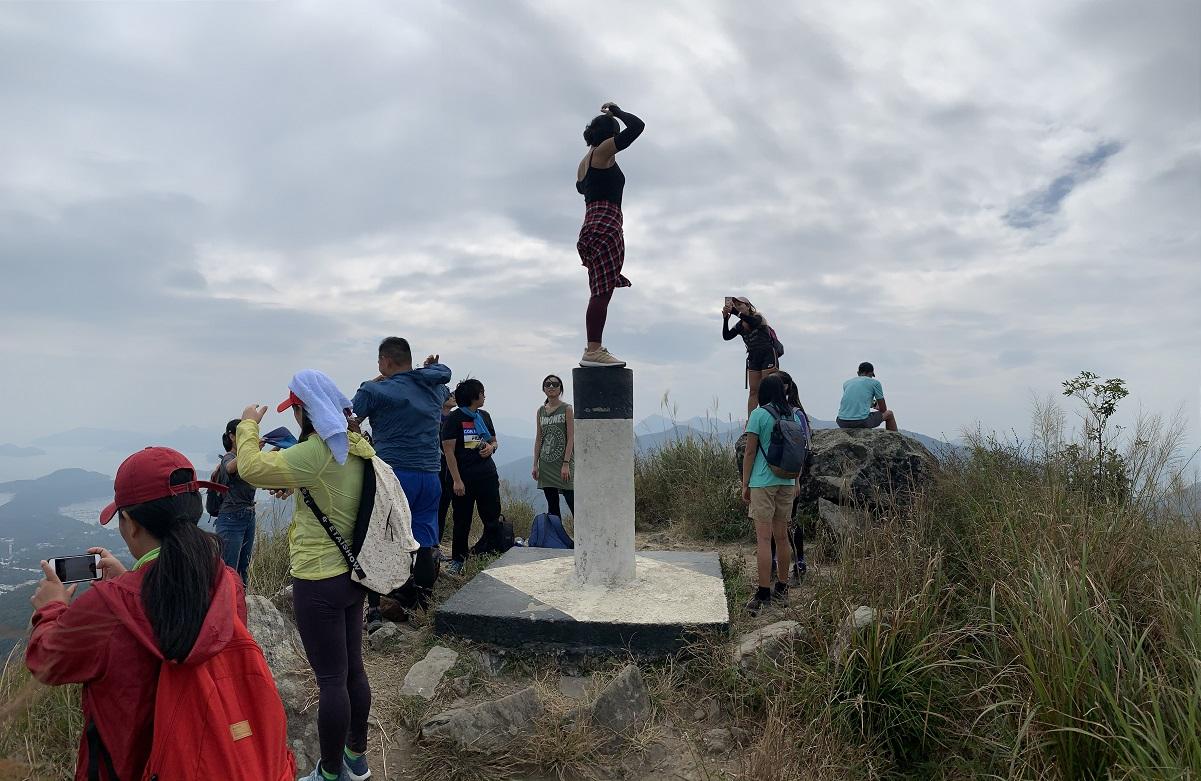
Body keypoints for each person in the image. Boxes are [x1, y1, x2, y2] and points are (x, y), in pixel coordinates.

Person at [24, 447, 288, 780]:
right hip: (205, 759)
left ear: (131, 524)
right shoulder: (227, 583)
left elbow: (45, 661)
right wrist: (130, 582)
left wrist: (52, 607)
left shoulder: (108, 608)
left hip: (128, 767)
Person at [235, 370, 375, 781]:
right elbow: (333, 489)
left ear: (304, 410)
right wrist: (296, 485)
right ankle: (356, 761)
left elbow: (250, 467)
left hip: (318, 580)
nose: (294, 416)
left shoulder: (316, 452)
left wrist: (248, 423)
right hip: (352, 575)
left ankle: (329, 774)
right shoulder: (355, 444)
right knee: (354, 671)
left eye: (294, 409)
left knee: (331, 680)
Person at [351, 337, 451, 628]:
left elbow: (348, 419)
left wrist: (370, 383)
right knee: (423, 542)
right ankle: (422, 608)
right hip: (430, 476)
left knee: (377, 541)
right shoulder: (435, 390)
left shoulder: (375, 390)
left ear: (385, 361)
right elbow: (442, 376)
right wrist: (427, 371)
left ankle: (374, 612)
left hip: (394, 476)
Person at [575, 101, 645, 368]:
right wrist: (618, 112)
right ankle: (593, 349)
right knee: (601, 293)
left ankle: (594, 347)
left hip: (591, 224)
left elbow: (583, 189)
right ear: (609, 134)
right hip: (606, 223)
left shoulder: (584, 162)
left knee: (599, 290)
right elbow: (637, 127)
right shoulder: (604, 152)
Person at [739, 374, 801, 615]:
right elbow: (799, 452)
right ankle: (783, 588)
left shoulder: (759, 414)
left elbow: (750, 452)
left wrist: (746, 484)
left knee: (764, 539)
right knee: (783, 537)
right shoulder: (793, 415)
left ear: (764, 392)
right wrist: (796, 481)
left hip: (763, 482)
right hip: (787, 480)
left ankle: (763, 592)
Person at [441, 378, 502, 575]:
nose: (485, 396)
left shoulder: (484, 416)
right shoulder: (455, 418)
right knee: (462, 520)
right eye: (482, 393)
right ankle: (458, 559)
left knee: (492, 516)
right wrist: (457, 480)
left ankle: (491, 552)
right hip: (463, 479)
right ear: (474, 396)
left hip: (487, 476)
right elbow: (448, 451)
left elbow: (493, 441)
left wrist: (491, 448)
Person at [211, 418, 258, 585]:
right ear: (232, 436)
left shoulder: (246, 458)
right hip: (231, 517)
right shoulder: (229, 457)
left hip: (247, 515)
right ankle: (228, 606)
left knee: (243, 567)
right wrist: (251, 449)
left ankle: (241, 605)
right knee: (229, 568)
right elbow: (230, 468)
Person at [722, 297, 780, 416]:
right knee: (753, 391)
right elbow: (726, 336)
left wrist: (735, 312)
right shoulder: (740, 325)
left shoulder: (758, 317)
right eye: (735, 305)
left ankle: (771, 416)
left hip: (767, 354)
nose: (737, 307)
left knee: (768, 387)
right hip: (753, 356)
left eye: (739, 304)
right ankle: (752, 421)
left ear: (748, 306)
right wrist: (725, 319)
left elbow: (753, 323)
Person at [531, 374, 575, 518]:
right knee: (552, 505)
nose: (551, 387)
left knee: (572, 500)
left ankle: (583, 537)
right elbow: (539, 439)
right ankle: (557, 538)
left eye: (555, 384)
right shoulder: (540, 411)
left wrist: (566, 463)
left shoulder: (567, 409)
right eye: (548, 384)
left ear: (560, 388)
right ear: (543, 389)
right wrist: (535, 464)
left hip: (563, 463)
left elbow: (571, 437)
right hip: (546, 464)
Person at [836, 361, 898, 431]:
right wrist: (879, 407)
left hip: (841, 421)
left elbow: (857, 399)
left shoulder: (846, 383)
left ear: (858, 373)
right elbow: (883, 409)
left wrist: (874, 405)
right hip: (861, 422)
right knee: (889, 414)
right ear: (871, 373)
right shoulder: (875, 383)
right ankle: (896, 440)